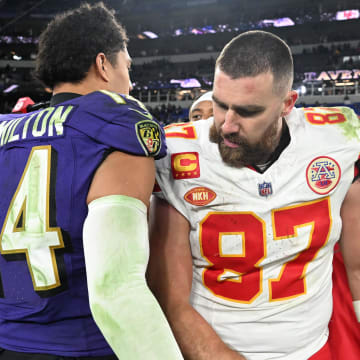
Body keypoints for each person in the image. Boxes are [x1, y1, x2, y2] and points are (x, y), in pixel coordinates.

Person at [147, 30, 360, 360]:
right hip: (213, 349)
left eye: (247, 111)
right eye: (219, 105)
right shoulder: (177, 152)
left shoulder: (339, 137)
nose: (227, 125)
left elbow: (357, 266)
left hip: (313, 348)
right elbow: (168, 296)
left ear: (287, 104)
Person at [0, 3, 182, 360]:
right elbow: (116, 290)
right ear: (103, 64)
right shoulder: (114, 126)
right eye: (127, 66)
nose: (130, 82)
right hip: (81, 343)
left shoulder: (6, 129)